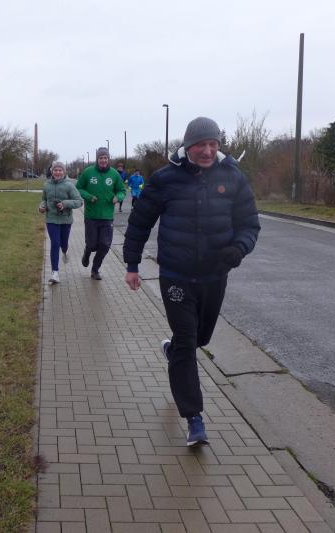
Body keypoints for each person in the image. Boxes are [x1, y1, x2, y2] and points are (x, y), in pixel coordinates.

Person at [122, 117, 260, 447]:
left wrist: (238, 248)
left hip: (215, 275)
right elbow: (140, 222)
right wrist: (132, 264)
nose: (208, 151)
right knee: (187, 341)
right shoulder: (165, 179)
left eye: (213, 144)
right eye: (201, 145)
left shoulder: (233, 176)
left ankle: (172, 351)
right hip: (176, 274)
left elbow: (249, 224)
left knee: (200, 338)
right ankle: (194, 418)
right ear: (188, 146)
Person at [76, 147, 126, 280]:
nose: (103, 160)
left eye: (105, 158)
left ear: (108, 159)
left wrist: (118, 197)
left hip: (107, 216)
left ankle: (95, 269)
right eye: (101, 158)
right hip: (91, 216)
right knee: (92, 244)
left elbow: (122, 190)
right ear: (97, 159)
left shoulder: (114, 174)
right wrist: (88, 196)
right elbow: (78, 188)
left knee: (105, 245)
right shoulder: (88, 172)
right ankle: (87, 252)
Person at [39, 161, 83, 284]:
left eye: (60, 170)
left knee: (63, 243)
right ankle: (55, 273)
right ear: (52, 171)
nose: (57, 172)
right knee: (55, 243)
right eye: (55, 170)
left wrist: (65, 203)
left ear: (64, 172)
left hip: (65, 220)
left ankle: (65, 250)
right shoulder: (47, 185)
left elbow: (79, 201)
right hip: (51, 219)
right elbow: (44, 199)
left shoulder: (69, 185)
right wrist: (42, 206)